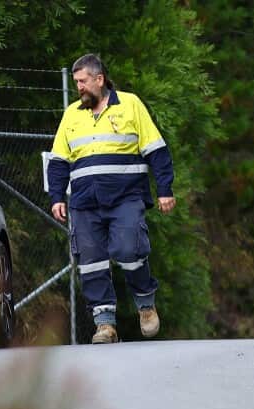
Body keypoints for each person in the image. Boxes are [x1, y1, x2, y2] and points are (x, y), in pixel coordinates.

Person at [47, 53, 176, 344]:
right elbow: (58, 161)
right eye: (75, 82)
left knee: (129, 248)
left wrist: (165, 189)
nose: (78, 87)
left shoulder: (130, 104)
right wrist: (57, 196)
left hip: (126, 198)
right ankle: (105, 324)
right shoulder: (72, 114)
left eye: (82, 81)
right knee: (91, 261)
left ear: (100, 79)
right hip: (83, 202)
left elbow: (157, 150)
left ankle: (145, 303)